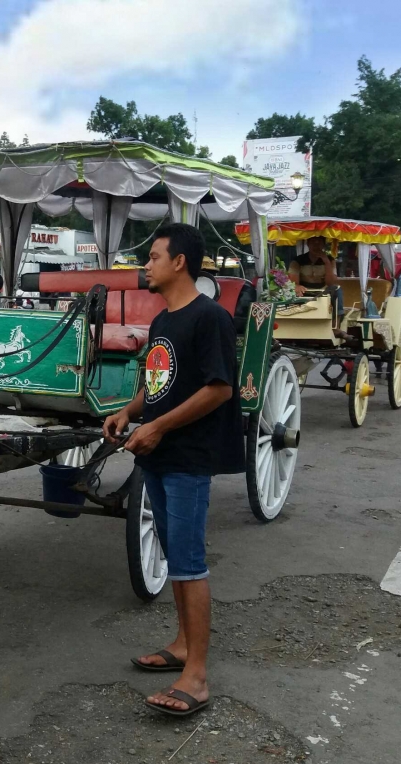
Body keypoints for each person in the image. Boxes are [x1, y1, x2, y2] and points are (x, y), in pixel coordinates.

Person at [102, 222, 244, 718]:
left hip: (187, 458)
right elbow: (159, 382)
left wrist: (158, 427)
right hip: (157, 455)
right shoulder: (164, 322)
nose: (147, 264)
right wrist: (129, 411)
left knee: (188, 562)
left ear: (179, 261)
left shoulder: (211, 319)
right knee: (172, 554)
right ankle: (183, 645)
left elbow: (219, 388)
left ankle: (198, 677)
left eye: (154, 256)